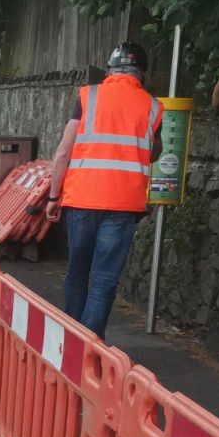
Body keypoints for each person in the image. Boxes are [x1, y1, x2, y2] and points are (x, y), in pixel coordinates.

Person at [45, 41, 163, 339]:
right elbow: (153, 152)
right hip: (124, 205)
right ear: (142, 76)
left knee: (77, 271)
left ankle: (70, 340)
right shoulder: (153, 106)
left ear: (109, 71)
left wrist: (53, 196)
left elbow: (63, 152)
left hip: (83, 199)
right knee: (104, 279)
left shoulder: (88, 96)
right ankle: (90, 346)